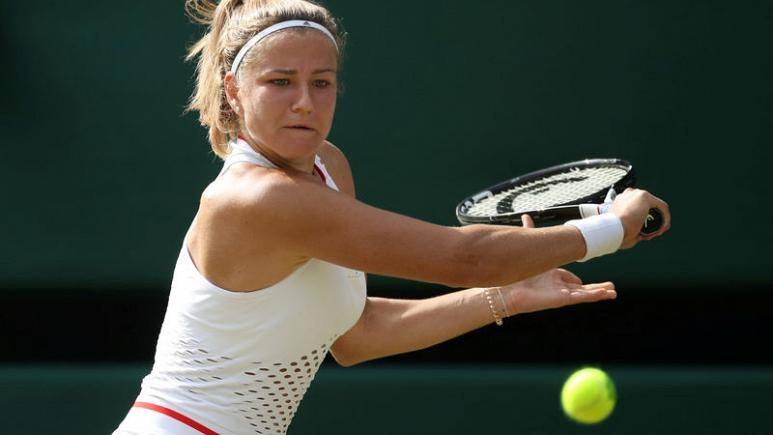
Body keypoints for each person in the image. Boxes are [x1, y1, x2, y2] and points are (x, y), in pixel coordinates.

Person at [113, 0, 671, 433]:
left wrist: (508, 294)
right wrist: (611, 229)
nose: (304, 101)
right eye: (280, 82)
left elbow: (355, 335)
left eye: (321, 82)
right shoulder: (255, 198)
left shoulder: (327, 167)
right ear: (233, 90)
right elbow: (464, 256)